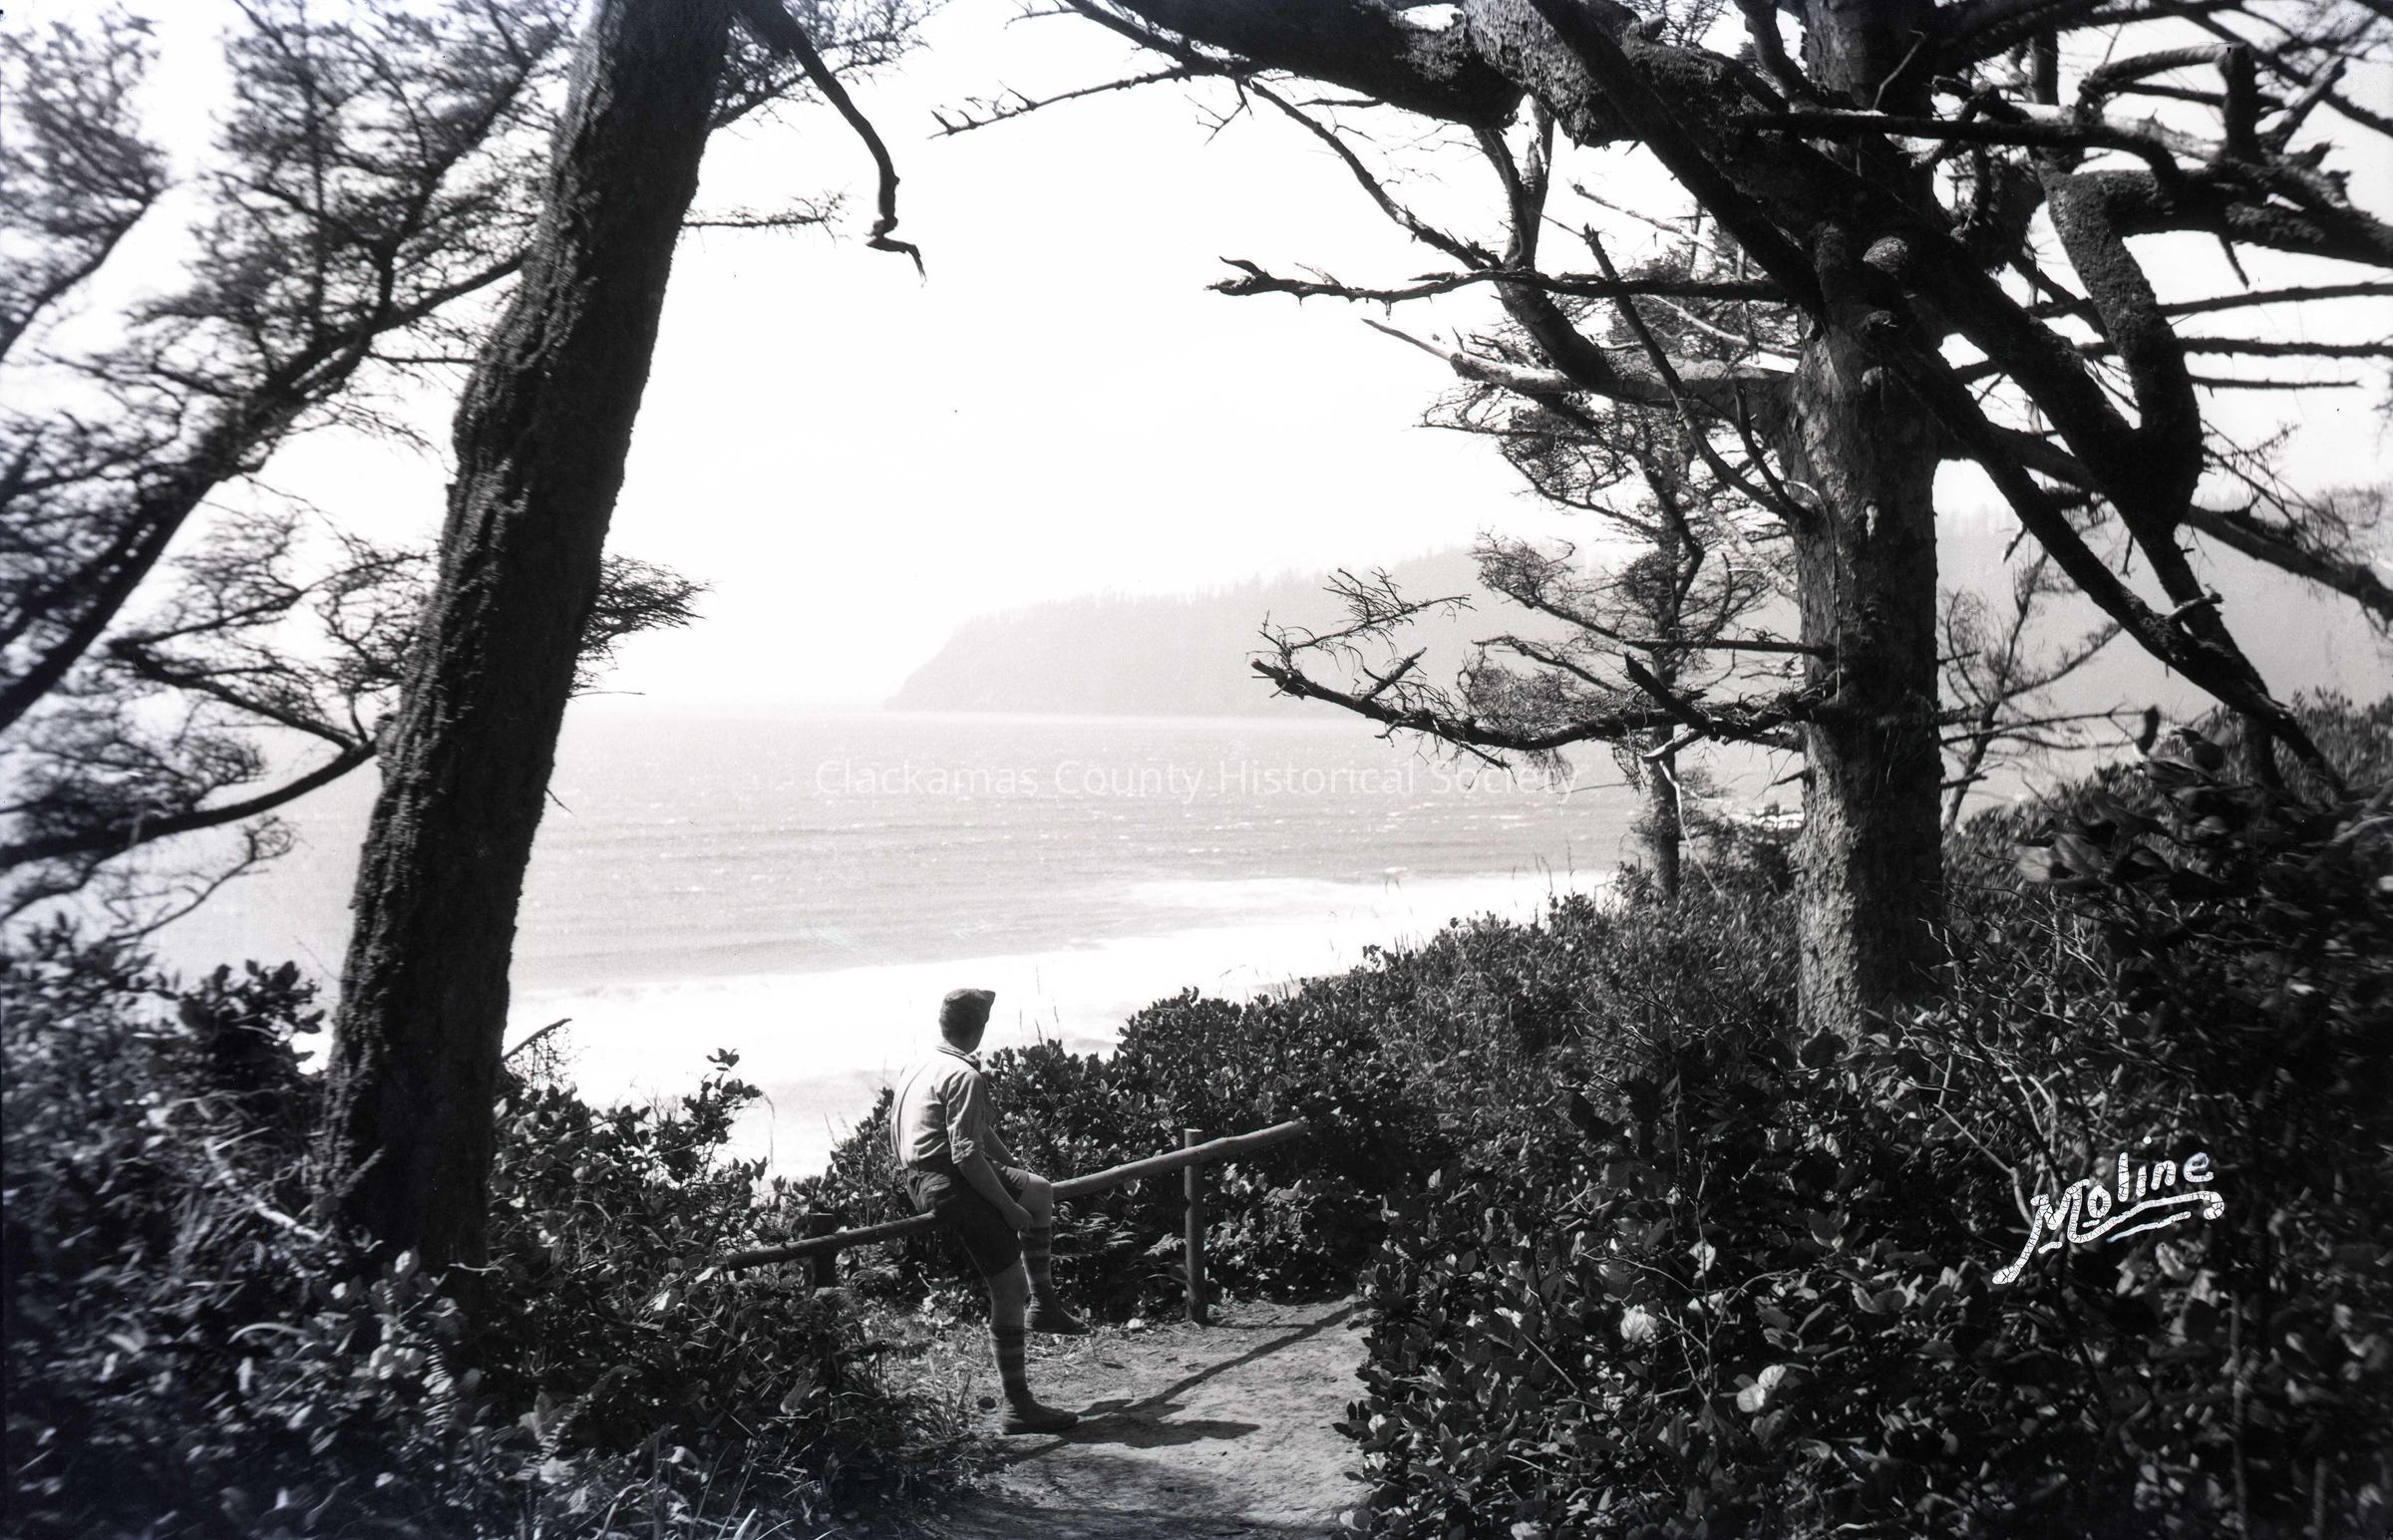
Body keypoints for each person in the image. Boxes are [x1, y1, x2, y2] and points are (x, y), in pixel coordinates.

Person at [889, 987, 1087, 1434]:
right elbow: (966, 1156)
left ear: (944, 1025)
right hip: (949, 1183)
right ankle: (1018, 1406)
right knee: (1009, 1288)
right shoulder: (965, 1075)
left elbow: (973, 1134)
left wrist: (1015, 1172)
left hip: (921, 1174)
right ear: (980, 1028)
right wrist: (1007, 1208)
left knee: (1039, 1191)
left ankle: (1046, 1304)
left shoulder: (922, 1063)